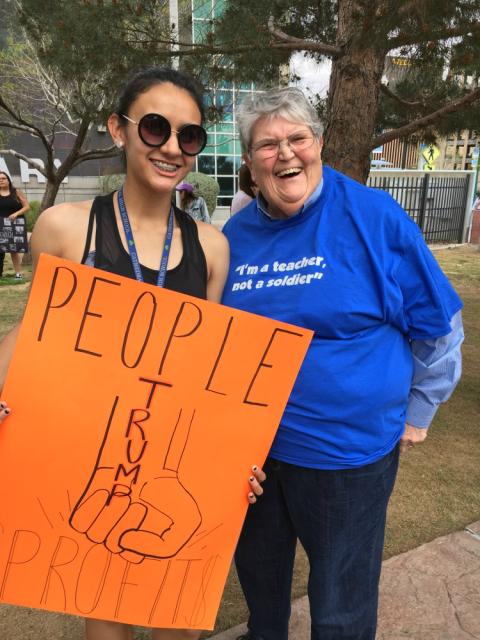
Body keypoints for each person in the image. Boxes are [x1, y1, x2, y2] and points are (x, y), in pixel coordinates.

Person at [0, 66, 265, 640]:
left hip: (174, 463)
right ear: (118, 131)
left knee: (179, 626)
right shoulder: (67, 229)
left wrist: (238, 459)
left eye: (188, 136)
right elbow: (31, 337)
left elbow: (212, 380)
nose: (172, 147)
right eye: (154, 128)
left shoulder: (213, 248)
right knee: (106, 623)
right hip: (89, 461)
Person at [221, 87, 464, 640]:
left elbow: (441, 327)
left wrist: (419, 412)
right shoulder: (236, 236)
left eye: (297, 139)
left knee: (340, 608)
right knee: (263, 601)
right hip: (253, 461)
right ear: (250, 161)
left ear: (320, 144)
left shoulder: (373, 218)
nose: (285, 154)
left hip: (345, 458)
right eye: (267, 145)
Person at [0, 171, 30, 279]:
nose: (1, 180)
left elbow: (27, 206)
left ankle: (18, 273)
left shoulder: (16, 192)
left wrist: (16, 214)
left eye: (3, 178)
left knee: (14, 250)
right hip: (0, 226)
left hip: (14, 225)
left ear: (8, 180)